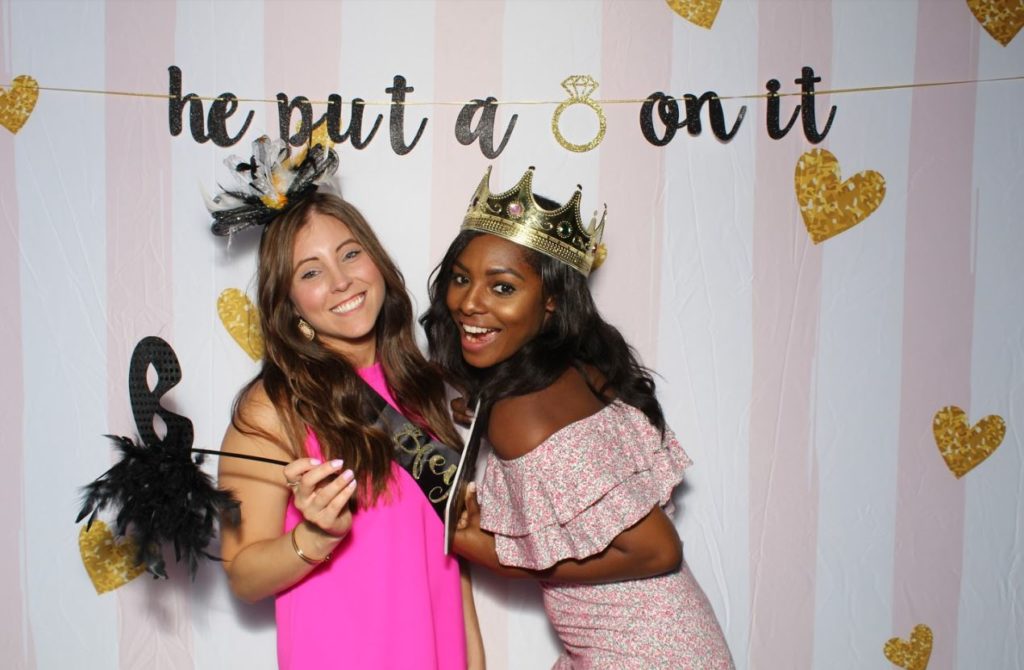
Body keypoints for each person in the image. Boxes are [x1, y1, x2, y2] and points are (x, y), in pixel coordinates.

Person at [421, 167, 734, 669]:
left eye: (502, 288)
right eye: (461, 278)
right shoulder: (572, 371)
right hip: (675, 640)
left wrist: (481, 549)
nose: (468, 302)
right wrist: (477, 408)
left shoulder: (521, 413)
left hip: (638, 656)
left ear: (551, 301)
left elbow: (657, 550)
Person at [211, 137, 483, 669]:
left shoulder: (423, 387)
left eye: (350, 254)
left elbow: (454, 569)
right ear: (289, 306)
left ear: (377, 262)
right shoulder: (272, 407)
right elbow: (242, 573)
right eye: (310, 272)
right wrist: (314, 535)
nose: (341, 281)